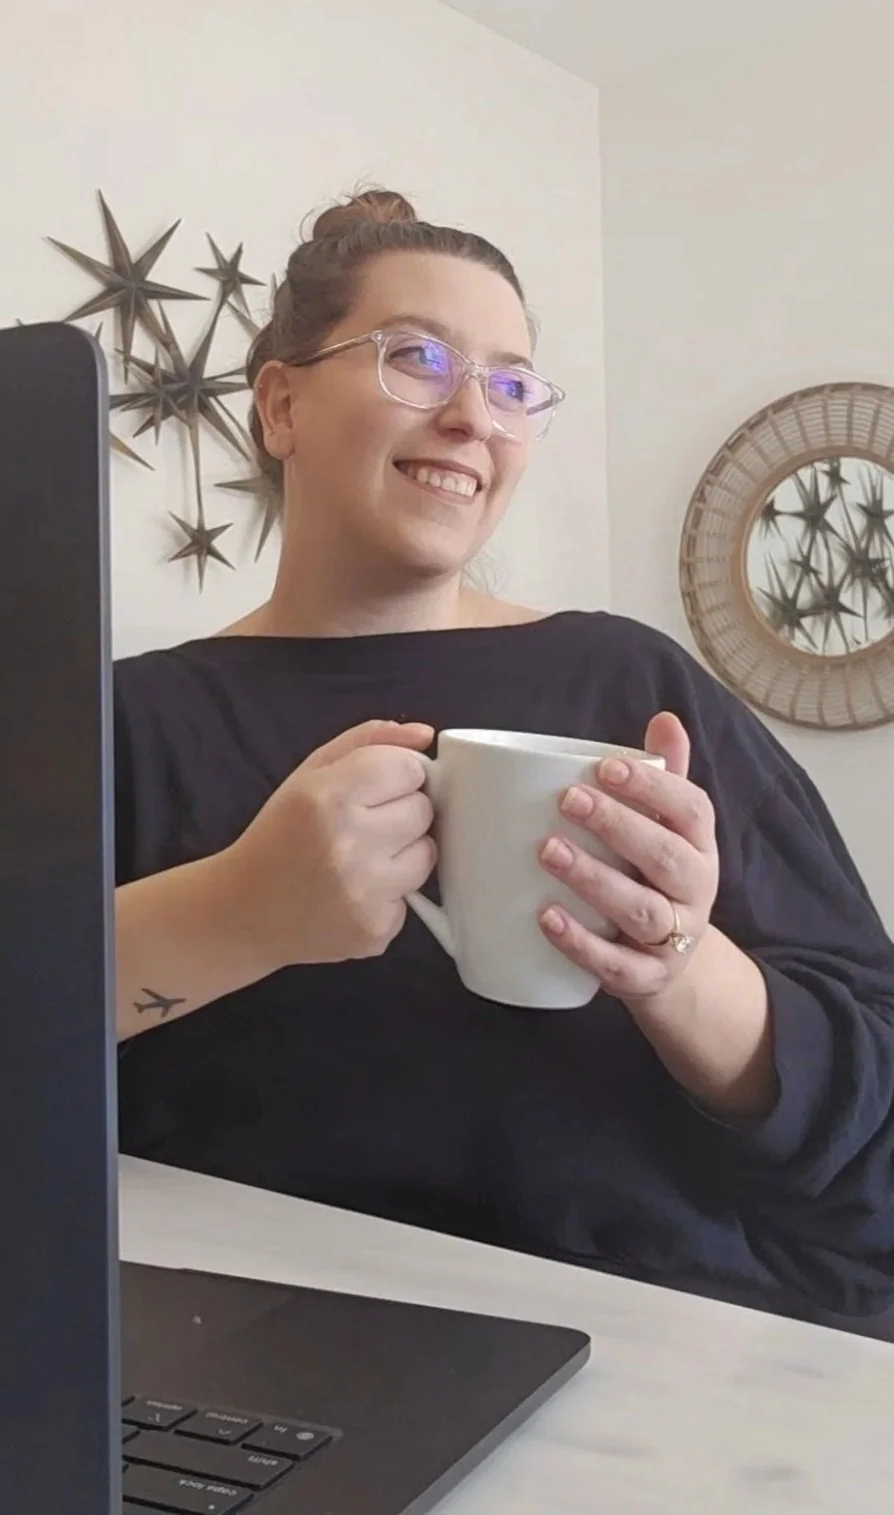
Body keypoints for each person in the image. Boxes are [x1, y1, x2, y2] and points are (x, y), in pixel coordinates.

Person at [114, 188, 894, 1330]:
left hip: (671, 1350)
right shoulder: (130, 722)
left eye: (512, 384)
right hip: (254, 1365)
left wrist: (674, 966)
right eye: (416, 359)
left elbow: (872, 1122)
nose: (473, 416)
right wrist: (240, 912)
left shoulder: (634, 689)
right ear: (278, 403)